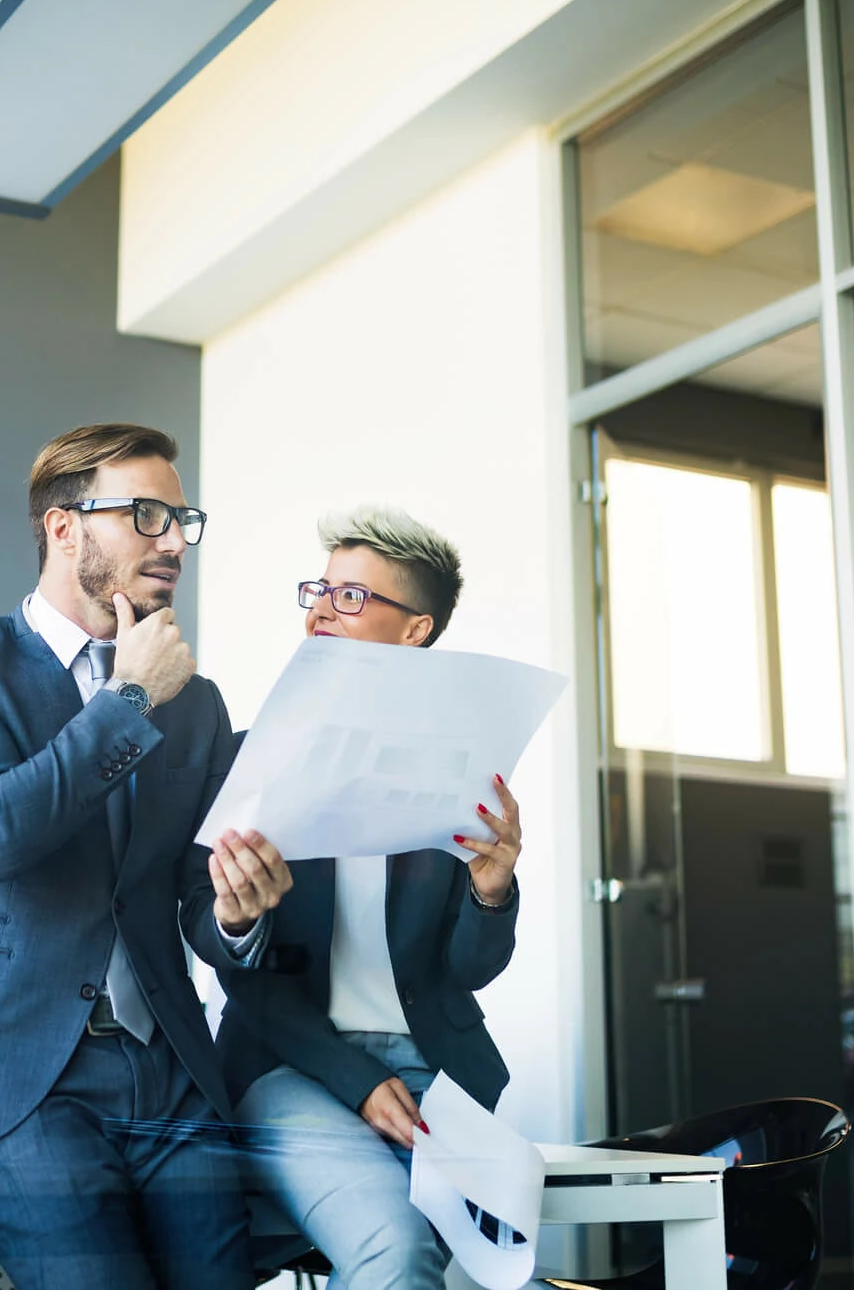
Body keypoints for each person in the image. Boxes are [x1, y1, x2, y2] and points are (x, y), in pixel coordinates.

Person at [0, 422, 295, 1290]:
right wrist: (130, 695)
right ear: (65, 528)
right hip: (13, 1077)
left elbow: (186, 899)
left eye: (181, 519)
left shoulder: (195, 702)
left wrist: (233, 915)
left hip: (169, 1071)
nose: (173, 540)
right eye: (145, 515)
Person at [219, 507, 524, 1290]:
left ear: (415, 630)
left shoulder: (459, 765)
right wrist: (353, 1080)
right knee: (394, 1246)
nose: (321, 607)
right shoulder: (252, 760)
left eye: (350, 596)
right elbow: (242, 971)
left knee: (510, 1268)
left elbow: (467, 970)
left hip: (440, 1071)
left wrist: (492, 890)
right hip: (290, 1065)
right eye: (318, 590)